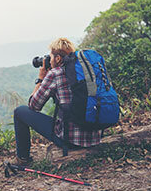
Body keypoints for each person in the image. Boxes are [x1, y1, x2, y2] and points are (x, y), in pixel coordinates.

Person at [13, 38, 102, 166]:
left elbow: (34, 105)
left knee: (19, 112)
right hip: (94, 135)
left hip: (70, 140)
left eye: (51, 57)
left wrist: (40, 79)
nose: (49, 60)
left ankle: (22, 159)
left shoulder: (55, 74)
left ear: (58, 58)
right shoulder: (85, 70)